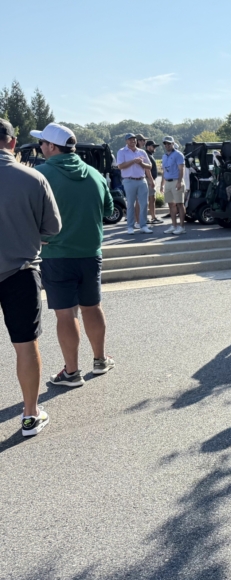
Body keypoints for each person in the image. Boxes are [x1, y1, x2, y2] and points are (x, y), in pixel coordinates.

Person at [30, 123, 116, 386]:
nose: (40, 147)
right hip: (90, 253)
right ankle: (100, 360)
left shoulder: (40, 175)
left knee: (66, 314)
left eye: (42, 143)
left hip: (55, 254)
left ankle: (71, 372)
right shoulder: (95, 174)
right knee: (93, 307)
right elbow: (108, 210)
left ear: (51, 146)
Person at [0, 119, 61, 436]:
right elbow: (53, 228)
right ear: (12, 142)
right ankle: (30, 414)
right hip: (20, 272)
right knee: (25, 344)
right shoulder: (33, 178)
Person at [116, 133, 152, 234]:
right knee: (131, 204)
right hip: (129, 180)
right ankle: (130, 226)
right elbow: (120, 166)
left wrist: (141, 163)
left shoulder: (141, 152)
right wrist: (133, 161)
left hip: (141, 180)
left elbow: (149, 166)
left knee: (144, 204)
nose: (133, 141)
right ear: (126, 141)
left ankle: (143, 225)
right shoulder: (122, 151)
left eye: (134, 139)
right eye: (130, 139)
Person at [160, 136, 187, 235]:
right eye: (165, 144)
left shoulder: (178, 154)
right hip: (168, 182)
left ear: (173, 143)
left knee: (179, 204)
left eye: (169, 143)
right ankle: (174, 225)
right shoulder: (164, 156)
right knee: (171, 204)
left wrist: (179, 182)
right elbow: (164, 171)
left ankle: (182, 227)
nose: (167, 145)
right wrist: (162, 184)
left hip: (176, 181)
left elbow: (181, 169)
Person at [144, 140, 164, 224]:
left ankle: (151, 216)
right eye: (153, 146)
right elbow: (147, 169)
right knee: (151, 198)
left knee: (151, 198)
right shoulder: (147, 155)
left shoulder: (149, 155)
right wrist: (151, 180)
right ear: (148, 147)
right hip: (149, 179)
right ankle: (152, 217)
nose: (155, 148)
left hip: (150, 179)